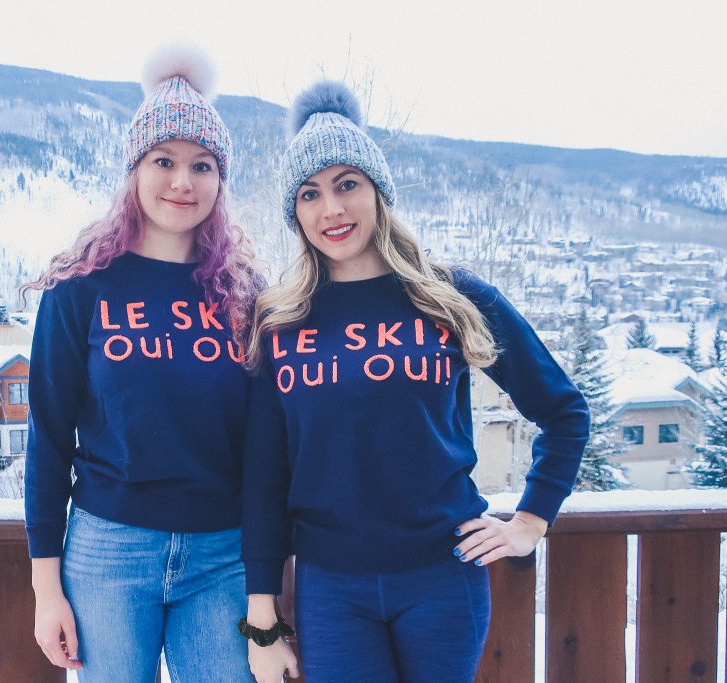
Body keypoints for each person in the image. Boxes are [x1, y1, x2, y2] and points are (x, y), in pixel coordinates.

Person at [239, 81, 590, 683]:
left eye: (348, 184)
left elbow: (563, 411)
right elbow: (265, 476)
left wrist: (530, 521)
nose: (333, 209)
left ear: (378, 190)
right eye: (310, 193)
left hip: (442, 578)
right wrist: (263, 619)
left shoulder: (452, 297)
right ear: (294, 213)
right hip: (332, 588)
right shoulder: (281, 319)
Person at [21, 46, 259, 682]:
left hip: (224, 556)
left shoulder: (245, 294)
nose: (183, 181)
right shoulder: (81, 287)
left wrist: (271, 575)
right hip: (108, 551)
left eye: (202, 165)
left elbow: (271, 444)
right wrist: (47, 590)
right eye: (165, 161)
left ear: (220, 179)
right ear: (135, 169)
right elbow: (47, 436)